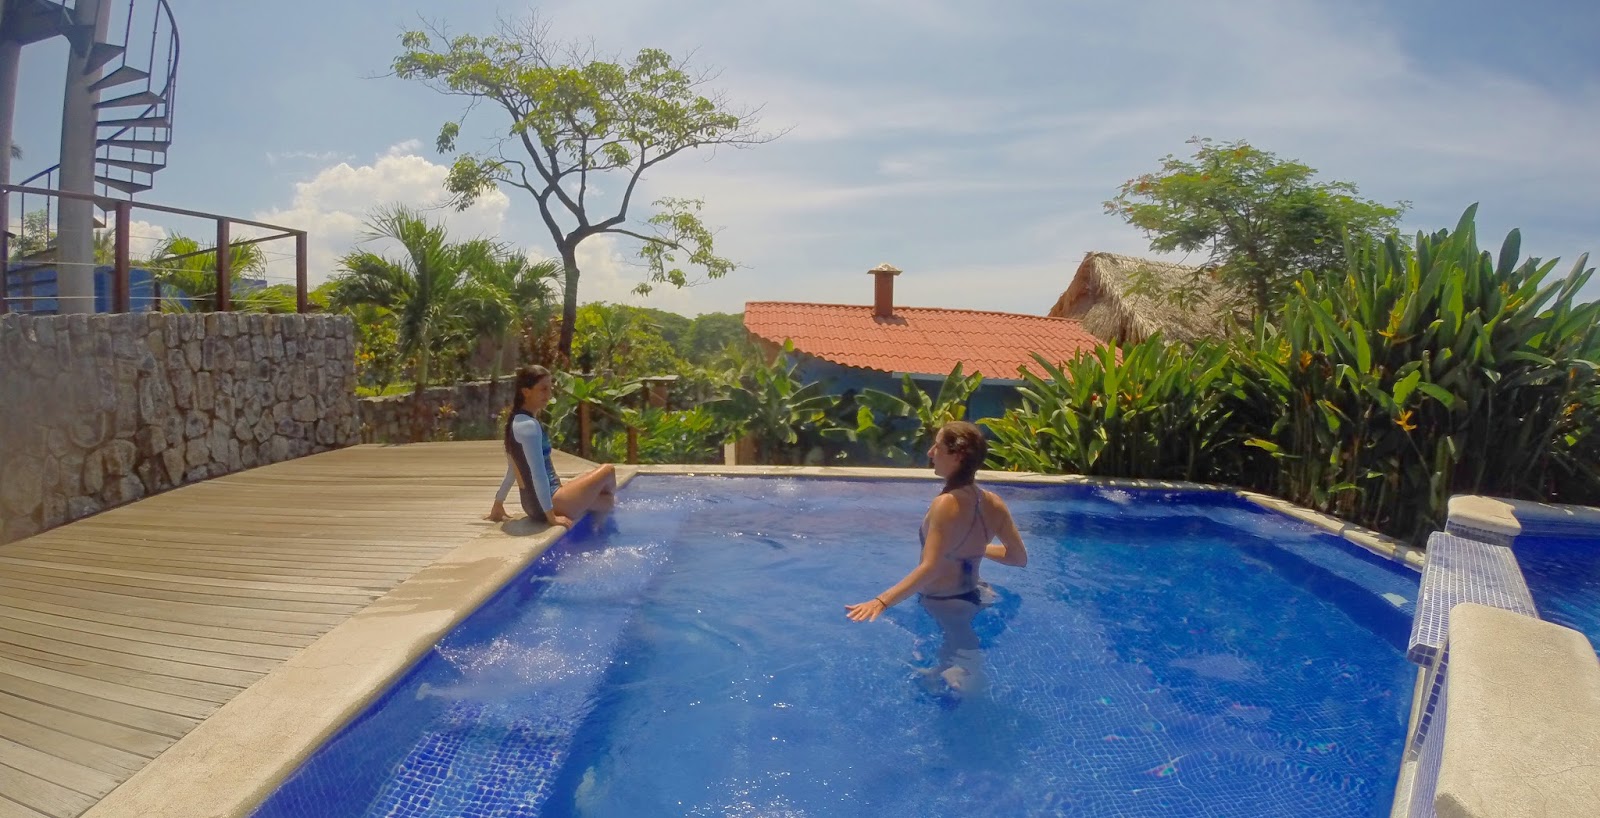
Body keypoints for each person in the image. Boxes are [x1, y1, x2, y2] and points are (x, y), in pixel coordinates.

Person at [845, 421, 1029, 693]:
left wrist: (881, 601)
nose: (930, 452)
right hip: (978, 594)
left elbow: (930, 568)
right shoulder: (994, 502)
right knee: (954, 658)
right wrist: (975, 548)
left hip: (944, 603)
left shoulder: (946, 503)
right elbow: (1018, 558)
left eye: (938, 447)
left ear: (957, 456)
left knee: (957, 678)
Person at [488, 365, 618, 528]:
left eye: (550, 389)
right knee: (608, 470)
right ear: (526, 392)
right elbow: (538, 474)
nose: (549, 395)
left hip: (532, 505)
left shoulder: (516, 421)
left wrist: (498, 503)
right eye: (543, 389)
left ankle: (598, 525)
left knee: (607, 502)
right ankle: (602, 529)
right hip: (551, 502)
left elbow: (513, 469)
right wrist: (551, 516)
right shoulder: (529, 426)